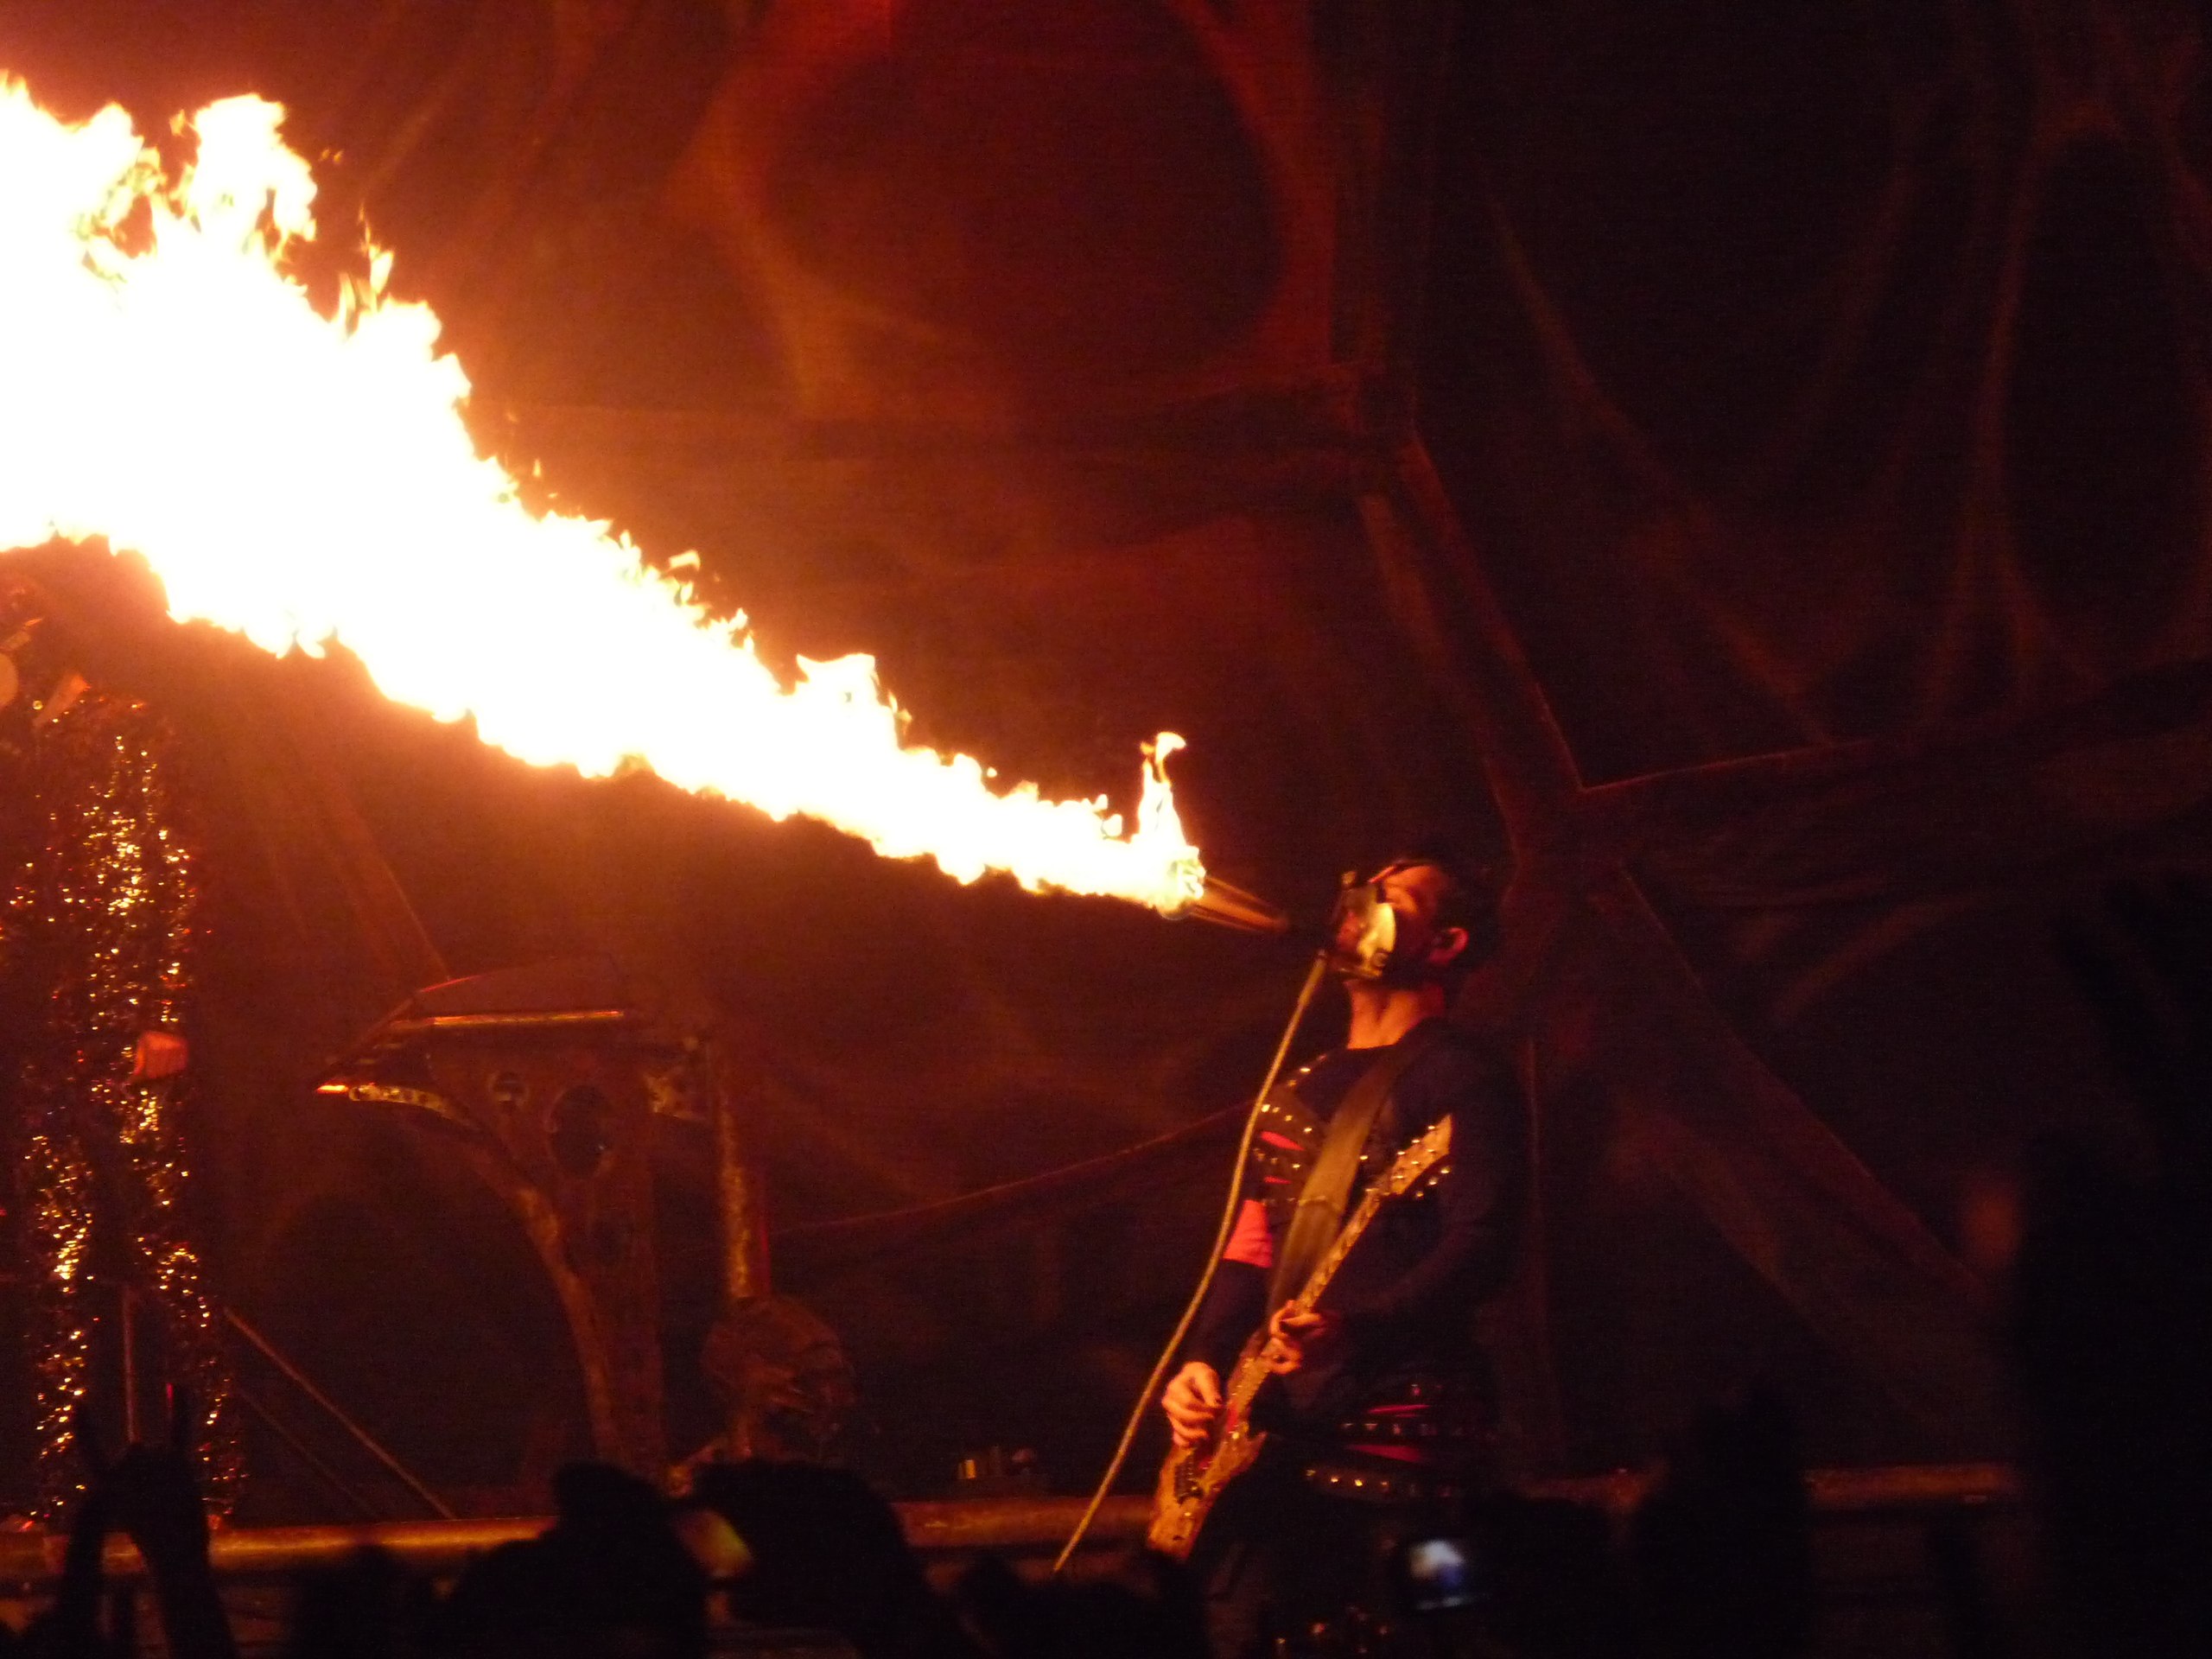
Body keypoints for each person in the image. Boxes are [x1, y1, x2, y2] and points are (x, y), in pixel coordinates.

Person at [1158, 849, 1530, 1656]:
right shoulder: (1297, 1089)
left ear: (1446, 943)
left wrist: (1355, 1327)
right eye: (1361, 888)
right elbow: (1250, 1249)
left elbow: (1482, 1245)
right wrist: (1203, 1363)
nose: (1360, 903)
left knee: (1436, 1639)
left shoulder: (1465, 1077)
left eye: (1394, 896)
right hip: (1269, 1444)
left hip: (1409, 1446)